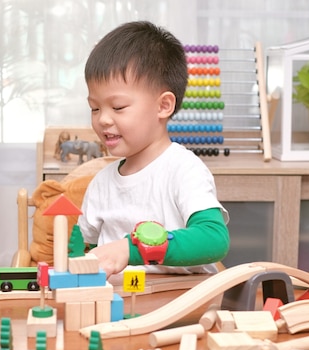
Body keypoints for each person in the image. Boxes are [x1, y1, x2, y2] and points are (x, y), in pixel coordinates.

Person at [77, 21, 230, 279]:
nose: (102, 119)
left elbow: (214, 238)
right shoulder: (101, 183)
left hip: (179, 306)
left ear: (163, 106)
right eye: (95, 108)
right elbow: (86, 246)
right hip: (117, 307)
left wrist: (132, 249)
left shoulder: (183, 170)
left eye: (118, 107)